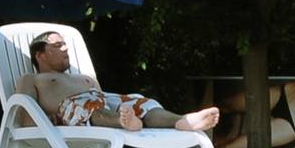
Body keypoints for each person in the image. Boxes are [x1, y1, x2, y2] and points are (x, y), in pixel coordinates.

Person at [18, 30, 221, 133]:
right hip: (73, 108)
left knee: (141, 102)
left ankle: (181, 120)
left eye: (65, 44)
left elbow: (103, 98)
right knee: (92, 107)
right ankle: (123, 122)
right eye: (58, 45)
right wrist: (48, 123)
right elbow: (26, 118)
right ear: (40, 55)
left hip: (104, 101)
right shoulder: (33, 79)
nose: (65, 49)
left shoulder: (81, 76)